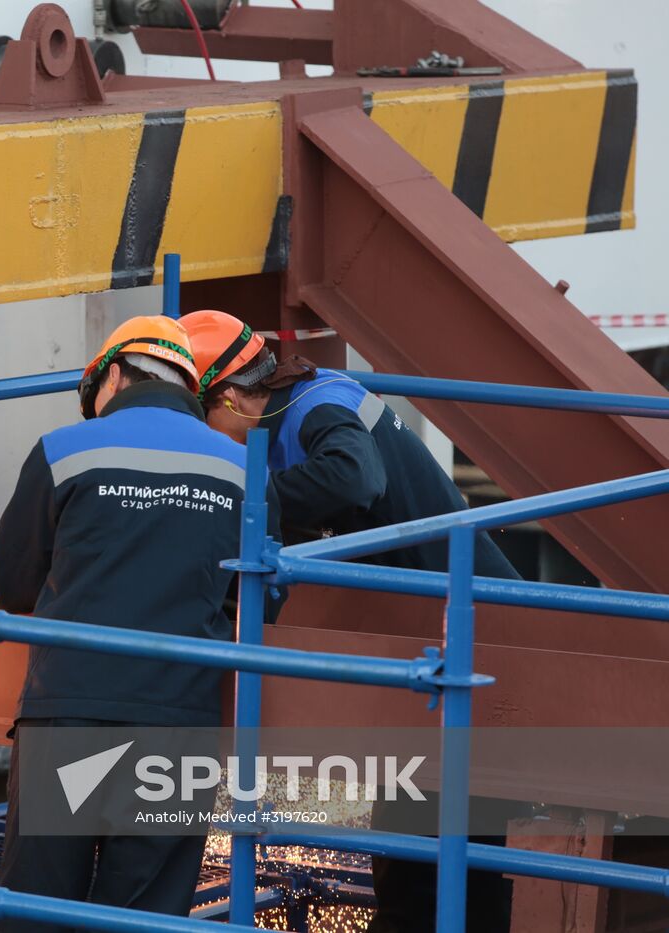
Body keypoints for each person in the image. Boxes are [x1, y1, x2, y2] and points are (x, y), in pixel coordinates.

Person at [180, 309, 523, 933]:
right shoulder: (287, 413)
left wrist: (237, 500)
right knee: (414, 850)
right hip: (423, 636)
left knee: (452, 851)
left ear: (228, 396)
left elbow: (353, 479)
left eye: (200, 421)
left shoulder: (319, 402)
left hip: (475, 637)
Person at [0, 316, 282, 931]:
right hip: (178, 721)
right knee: (145, 913)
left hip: (67, 710)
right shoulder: (245, 470)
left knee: (36, 905)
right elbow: (258, 602)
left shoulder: (64, 450)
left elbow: (10, 582)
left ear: (113, 375)